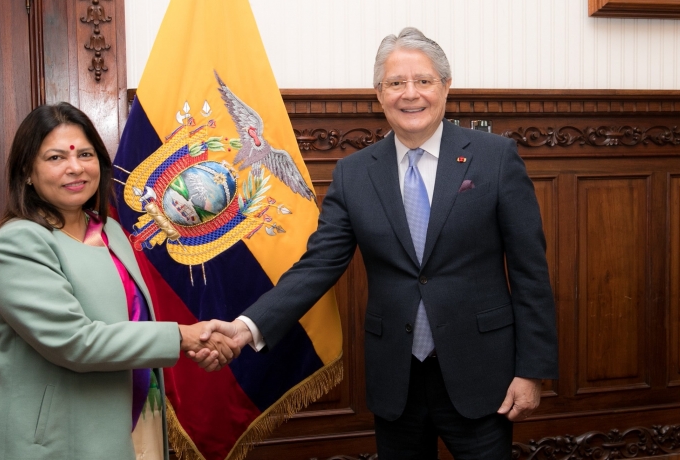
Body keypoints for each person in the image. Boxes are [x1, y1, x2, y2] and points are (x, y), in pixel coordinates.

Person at [198, 28, 558, 459]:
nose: (411, 94)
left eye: (424, 81)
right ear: (379, 93)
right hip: (396, 379)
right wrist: (245, 328)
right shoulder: (353, 174)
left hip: (482, 373)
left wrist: (531, 371)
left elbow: (530, 271)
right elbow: (318, 266)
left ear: (446, 87)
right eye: (396, 83)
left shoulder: (495, 157)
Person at [0, 102, 238, 460]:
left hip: (130, 423)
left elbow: (134, 326)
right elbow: (75, 341)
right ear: (27, 172)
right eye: (55, 158)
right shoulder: (17, 243)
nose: (75, 167)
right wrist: (182, 336)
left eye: (85, 154)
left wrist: (200, 343)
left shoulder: (109, 230)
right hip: (49, 443)